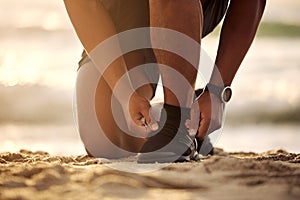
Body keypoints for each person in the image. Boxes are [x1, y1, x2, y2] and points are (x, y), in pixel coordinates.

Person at [63, 0, 266, 162]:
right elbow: (82, 4)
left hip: (188, 8)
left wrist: (217, 92)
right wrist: (125, 92)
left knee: (167, 143)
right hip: (121, 26)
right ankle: (191, 121)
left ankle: (178, 121)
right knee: (105, 142)